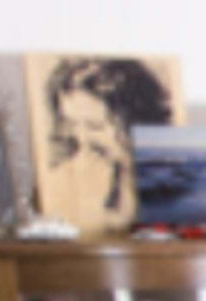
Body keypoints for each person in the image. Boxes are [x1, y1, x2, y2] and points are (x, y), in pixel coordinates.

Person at [42, 56, 174, 231]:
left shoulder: (169, 187)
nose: (81, 139)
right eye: (71, 124)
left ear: (131, 123)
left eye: (94, 126)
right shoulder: (74, 177)